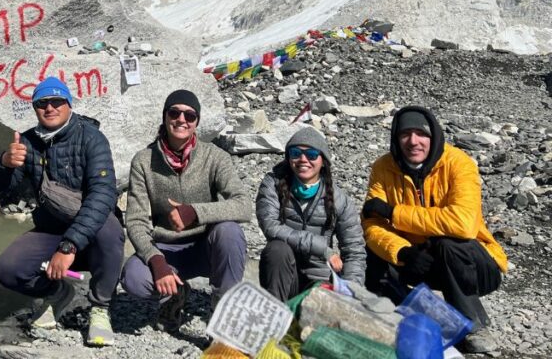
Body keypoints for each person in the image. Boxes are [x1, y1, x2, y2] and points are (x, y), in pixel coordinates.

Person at [362, 106, 507, 354]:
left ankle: (475, 327)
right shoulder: (383, 168)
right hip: (418, 259)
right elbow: (372, 224)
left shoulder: (458, 164)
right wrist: (404, 252)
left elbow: (462, 224)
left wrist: (394, 212)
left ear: (434, 136)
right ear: (396, 137)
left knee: (450, 244)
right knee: (373, 255)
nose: (413, 141)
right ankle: (419, 319)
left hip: (474, 266)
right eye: (405, 134)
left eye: (421, 134)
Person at [0, 77, 123, 347]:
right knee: (8, 269)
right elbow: (4, 189)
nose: (49, 108)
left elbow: (102, 195)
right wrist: (3, 163)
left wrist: (68, 246)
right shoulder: (27, 142)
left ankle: (99, 308)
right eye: (42, 103)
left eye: (56, 101)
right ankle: (57, 291)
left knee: (110, 230)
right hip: (51, 229)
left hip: (90, 233)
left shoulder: (92, 139)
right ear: (35, 108)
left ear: (68, 104)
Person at [120, 90, 249, 330]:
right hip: (167, 249)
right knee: (133, 279)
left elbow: (243, 205)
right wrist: (156, 261)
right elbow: (136, 221)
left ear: (197, 122)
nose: (182, 120)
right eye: (174, 113)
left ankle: (222, 314)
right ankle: (175, 293)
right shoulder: (143, 161)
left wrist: (195, 213)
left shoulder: (215, 157)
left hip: (206, 247)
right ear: (165, 117)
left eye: (190, 115)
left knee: (230, 232)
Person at [255, 127, 366, 302]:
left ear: (323, 160)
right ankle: (275, 317)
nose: (303, 159)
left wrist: (351, 291)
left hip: (319, 281)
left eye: (312, 154)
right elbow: (270, 226)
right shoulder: (273, 184)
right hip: (282, 275)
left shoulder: (339, 200)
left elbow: (354, 250)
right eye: (296, 153)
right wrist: (323, 249)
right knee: (276, 249)